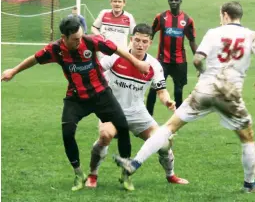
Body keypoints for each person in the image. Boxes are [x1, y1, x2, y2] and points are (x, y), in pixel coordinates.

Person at [113, 1, 255, 193]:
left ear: (224, 15)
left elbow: (197, 59)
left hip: (204, 90)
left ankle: (135, 164)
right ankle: (249, 184)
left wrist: (203, 73)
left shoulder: (214, 33)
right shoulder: (252, 35)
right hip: (230, 94)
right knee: (247, 137)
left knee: (169, 127)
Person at [1, 16, 149, 191]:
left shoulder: (91, 41)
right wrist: (14, 71)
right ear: (64, 37)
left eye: (81, 36)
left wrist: (137, 62)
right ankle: (79, 174)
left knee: (123, 126)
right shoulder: (55, 49)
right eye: (75, 39)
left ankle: (126, 175)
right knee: (67, 132)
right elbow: (34, 58)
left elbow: (117, 50)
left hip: (101, 94)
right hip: (76, 97)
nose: (80, 41)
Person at [85, 23, 189, 191]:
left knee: (163, 142)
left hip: (137, 112)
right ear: (131, 39)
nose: (140, 44)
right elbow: (94, 72)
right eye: (137, 40)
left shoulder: (154, 65)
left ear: (150, 43)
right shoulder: (115, 56)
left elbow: (161, 91)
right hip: (112, 110)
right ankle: (92, 175)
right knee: (105, 135)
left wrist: (167, 101)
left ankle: (170, 175)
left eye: (144, 41)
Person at [146, 0, 197, 116]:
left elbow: (192, 41)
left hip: (179, 61)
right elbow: (150, 33)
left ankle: (178, 118)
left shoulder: (187, 20)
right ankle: (148, 117)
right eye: (171, 0)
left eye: (176, 0)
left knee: (179, 91)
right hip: (162, 61)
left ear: (180, 1)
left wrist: (198, 59)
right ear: (168, 1)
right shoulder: (161, 17)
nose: (173, 2)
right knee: (154, 89)